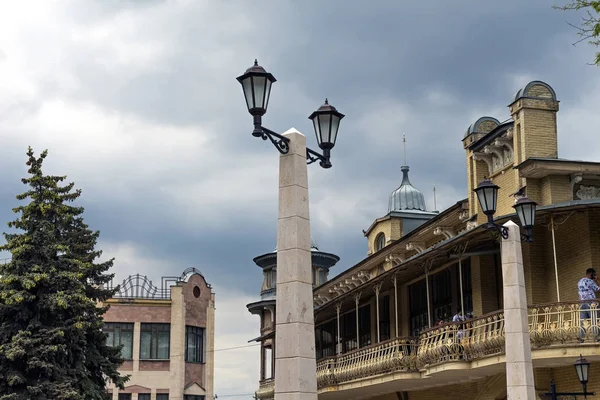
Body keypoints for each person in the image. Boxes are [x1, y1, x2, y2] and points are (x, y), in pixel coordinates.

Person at [578, 268, 600, 341]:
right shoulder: (590, 281)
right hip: (591, 304)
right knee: (594, 320)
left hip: (582, 303)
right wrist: (597, 280)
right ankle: (597, 338)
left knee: (583, 322)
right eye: (594, 274)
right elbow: (598, 289)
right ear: (591, 274)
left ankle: (581, 339)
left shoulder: (580, 281)